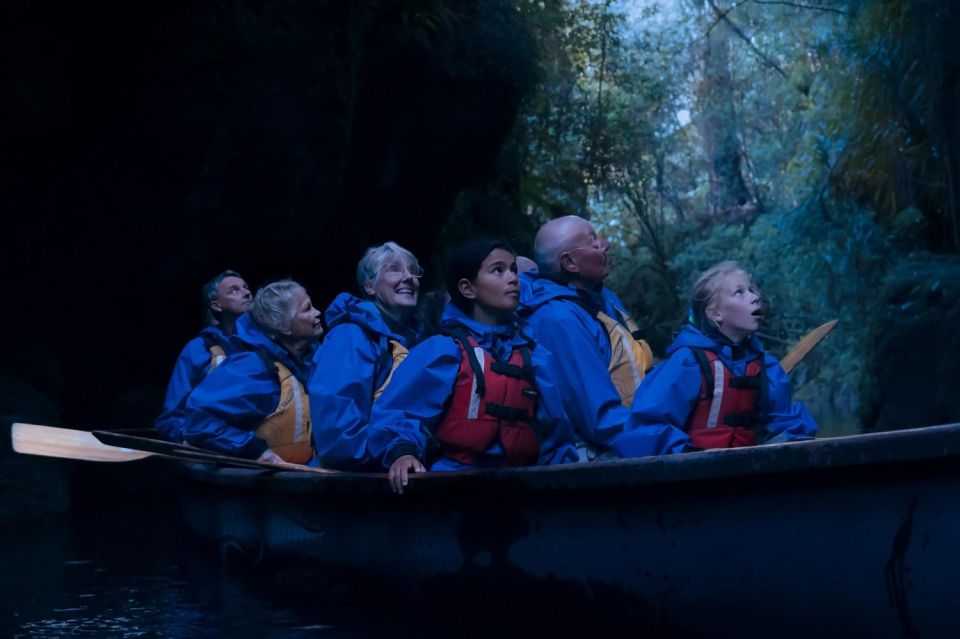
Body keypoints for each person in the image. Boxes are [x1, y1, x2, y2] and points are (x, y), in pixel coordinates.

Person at [366, 237, 578, 494]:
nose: (513, 278)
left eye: (512, 269)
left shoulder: (535, 355)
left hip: (524, 486)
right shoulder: (443, 350)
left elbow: (556, 434)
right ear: (468, 289)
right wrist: (403, 453)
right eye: (498, 270)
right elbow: (402, 413)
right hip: (452, 485)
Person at [519, 215, 688, 460]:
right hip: (605, 451)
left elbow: (638, 371)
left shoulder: (603, 298)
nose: (605, 245)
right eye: (593, 241)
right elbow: (600, 421)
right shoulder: (559, 320)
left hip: (639, 432)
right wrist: (672, 441)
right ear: (570, 262)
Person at [629, 261, 817, 448]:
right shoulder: (687, 363)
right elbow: (647, 426)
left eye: (751, 290)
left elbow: (786, 423)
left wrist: (785, 439)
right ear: (715, 313)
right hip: (696, 471)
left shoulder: (767, 368)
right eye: (739, 292)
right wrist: (683, 454)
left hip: (750, 468)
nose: (755, 297)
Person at [309, 242, 425, 469]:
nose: (409, 277)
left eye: (413, 270)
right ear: (370, 287)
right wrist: (398, 451)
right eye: (394, 269)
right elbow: (338, 435)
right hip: (353, 484)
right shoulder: (349, 337)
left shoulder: (413, 342)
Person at [181, 279, 324, 463]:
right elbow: (199, 422)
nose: (317, 312)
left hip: (300, 479)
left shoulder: (308, 361)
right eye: (307, 309)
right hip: (256, 484)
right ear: (284, 327)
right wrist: (255, 450)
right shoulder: (253, 369)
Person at [155, 270, 252, 442]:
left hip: (262, 447)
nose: (247, 293)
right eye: (234, 290)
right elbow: (171, 417)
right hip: (212, 447)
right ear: (216, 305)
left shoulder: (267, 346)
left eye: (245, 287)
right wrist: (190, 439)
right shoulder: (198, 350)